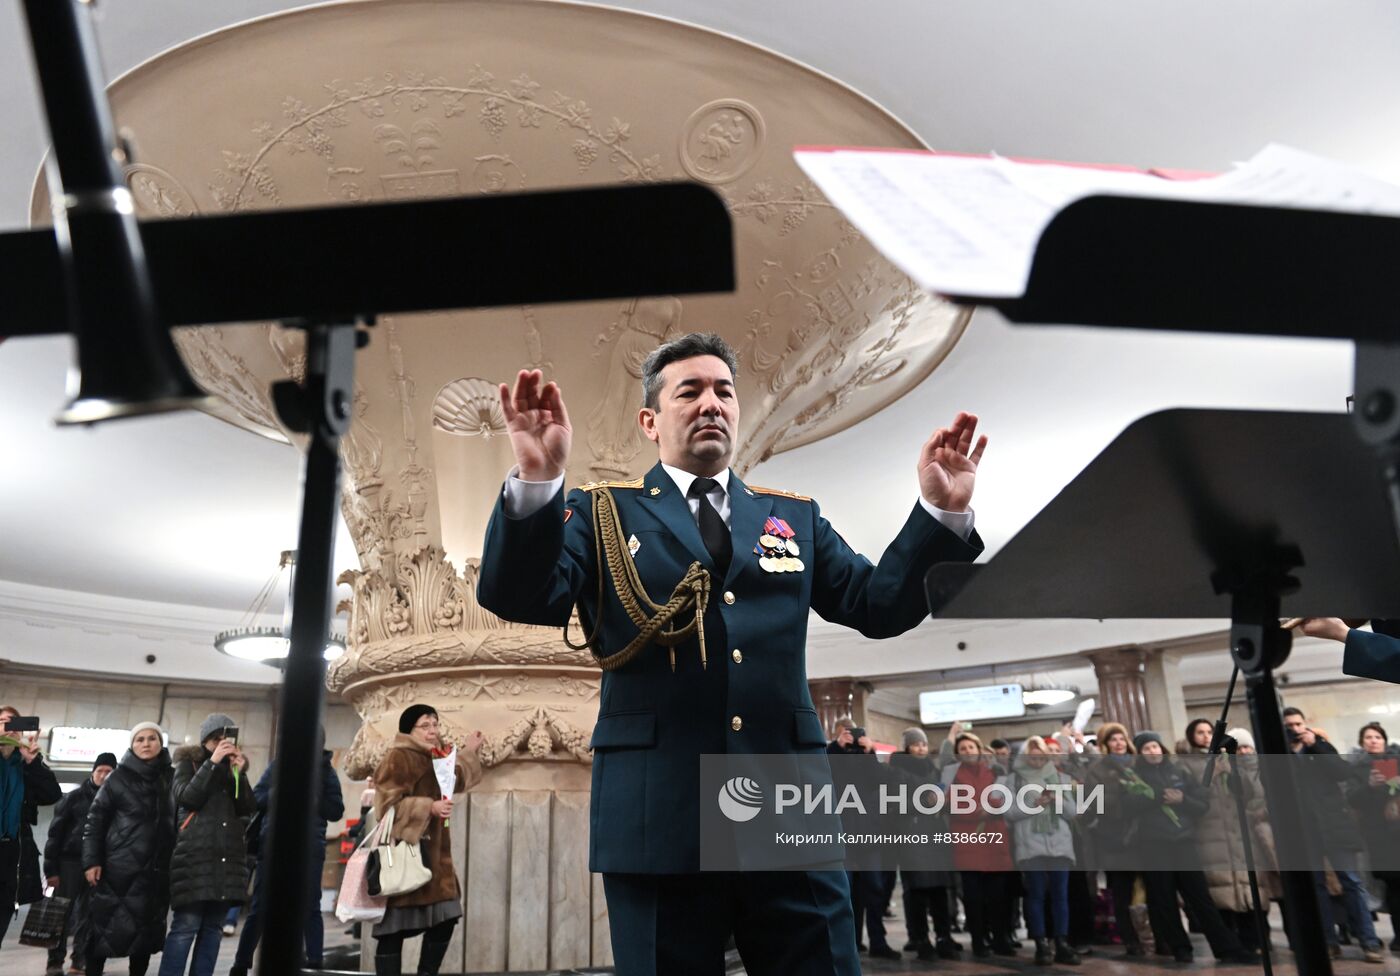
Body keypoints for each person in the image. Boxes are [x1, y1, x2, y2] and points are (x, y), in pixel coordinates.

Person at [477, 332, 987, 976]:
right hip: (659, 810)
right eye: (689, 391)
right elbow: (520, 595)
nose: (711, 403)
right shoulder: (603, 513)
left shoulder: (792, 518)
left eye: (724, 391)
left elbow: (876, 605)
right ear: (650, 420)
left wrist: (938, 517)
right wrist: (538, 482)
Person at [1127, 731, 1257, 965]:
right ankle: (1180, 947)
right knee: (1164, 899)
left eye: (1155, 746)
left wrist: (1182, 800)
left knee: (1200, 898)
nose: (1152, 752)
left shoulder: (1179, 771)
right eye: (1146, 748)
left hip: (1183, 841)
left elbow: (1201, 804)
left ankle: (1226, 947)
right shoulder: (1134, 776)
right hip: (1153, 844)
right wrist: (1157, 796)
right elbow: (1127, 807)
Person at [371, 704, 483, 976]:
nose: (432, 731)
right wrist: (427, 808)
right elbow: (385, 806)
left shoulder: (438, 756)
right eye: (425, 725)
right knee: (394, 929)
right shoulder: (400, 756)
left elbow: (455, 780)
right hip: (407, 853)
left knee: (447, 916)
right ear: (410, 729)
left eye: (435, 724)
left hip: (437, 858)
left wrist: (470, 751)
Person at [228, 733, 345, 976]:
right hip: (274, 844)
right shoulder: (277, 766)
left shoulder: (326, 772)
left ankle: (315, 964)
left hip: (309, 847)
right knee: (260, 907)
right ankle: (240, 964)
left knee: (310, 907)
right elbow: (257, 799)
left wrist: (312, 798)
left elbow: (336, 810)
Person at [1283, 706, 1386, 962]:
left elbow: (1342, 772)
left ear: (1305, 725)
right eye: (1290, 726)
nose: (1295, 729)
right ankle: (1328, 942)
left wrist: (1316, 745)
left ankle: (1369, 941)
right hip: (1304, 830)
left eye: (1298, 724)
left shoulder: (1321, 747)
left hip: (1334, 826)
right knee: (1316, 888)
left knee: (1352, 883)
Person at [159, 714, 256, 976]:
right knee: (185, 928)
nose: (222, 744)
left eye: (227, 740)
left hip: (227, 862)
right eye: (216, 739)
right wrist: (212, 763)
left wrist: (239, 773)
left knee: (213, 930)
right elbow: (187, 797)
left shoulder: (233, 769)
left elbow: (247, 806)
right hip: (194, 859)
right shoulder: (188, 764)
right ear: (205, 741)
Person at [83, 722, 175, 976]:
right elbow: (95, 821)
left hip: (155, 874)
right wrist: (91, 861)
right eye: (140, 739)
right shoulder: (117, 778)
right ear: (132, 746)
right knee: (102, 933)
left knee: (143, 939)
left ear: (160, 743)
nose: (146, 743)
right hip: (117, 871)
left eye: (152, 738)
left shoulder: (171, 777)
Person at [938, 731, 1016, 957]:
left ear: (979, 749)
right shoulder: (951, 775)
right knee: (974, 899)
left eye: (971, 747)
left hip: (994, 839)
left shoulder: (994, 772)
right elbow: (949, 803)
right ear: (958, 754)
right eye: (963, 749)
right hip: (968, 841)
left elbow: (1002, 798)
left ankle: (1000, 938)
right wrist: (978, 811)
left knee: (998, 897)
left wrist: (991, 808)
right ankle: (979, 940)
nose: (968, 751)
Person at [1004, 736, 1080, 965]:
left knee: (1060, 896)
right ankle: (1041, 943)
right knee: (1035, 895)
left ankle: (1062, 942)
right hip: (1031, 845)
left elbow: (1072, 812)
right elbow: (1009, 814)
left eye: (1041, 757)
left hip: (1059, 844)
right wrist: (1033, 805)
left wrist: (1056, 800)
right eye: (1033, 757)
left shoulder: (1059, 778)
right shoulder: (1013, 780)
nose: (1037, 761)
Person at [888, 727, 959, 961]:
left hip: (935, 833)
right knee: (917, 891)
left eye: (924, 744)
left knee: (940, 890)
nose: (921, 748)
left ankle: (943, 936)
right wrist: (922, 801)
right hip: (912, 836)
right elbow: (894, 804)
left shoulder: (933, 769)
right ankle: (920, 939)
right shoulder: (897, 771)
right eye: (916, 744)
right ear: (907, 747)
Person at [44, 753, 115, 975]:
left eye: (109, 772)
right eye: (100, 771)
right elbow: (55, 835)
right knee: (61, 913)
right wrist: (51, 869)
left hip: (99, 865)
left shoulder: (116, 803)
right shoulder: (73, 798)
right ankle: (55, 961)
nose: (103, 776)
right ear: (92, 772)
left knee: (89, 915)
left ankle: (79, 960)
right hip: (69, 863)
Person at [0, 704, 62, 947]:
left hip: (11, 857)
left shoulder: (26, 763)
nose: (7, 725)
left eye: (13, 722)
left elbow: (51, 794)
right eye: (2, 720)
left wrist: (32, 762)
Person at [1082, 723, 1145, 956]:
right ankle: (1130, 938)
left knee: (1152, 891)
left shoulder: (1139, 764)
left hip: (1144, 836)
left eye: (1121, 738)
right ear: (1105, 744)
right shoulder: (1097, 770)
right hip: (1114, 838)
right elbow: (1092, 804)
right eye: (1113, 740)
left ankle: (1154, 935)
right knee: (1121, 891)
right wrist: (1122, 800)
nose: (1118, 743)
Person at [1349, 721, 1400, 951]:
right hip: (1378, 835)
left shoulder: (1397, 761)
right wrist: (1369, 786)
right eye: (1368, 737)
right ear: (1362, 743)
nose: (1374, 741)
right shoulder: (1357, 768)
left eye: (1378, 737)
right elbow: (1352, 799)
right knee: (1393, 885)